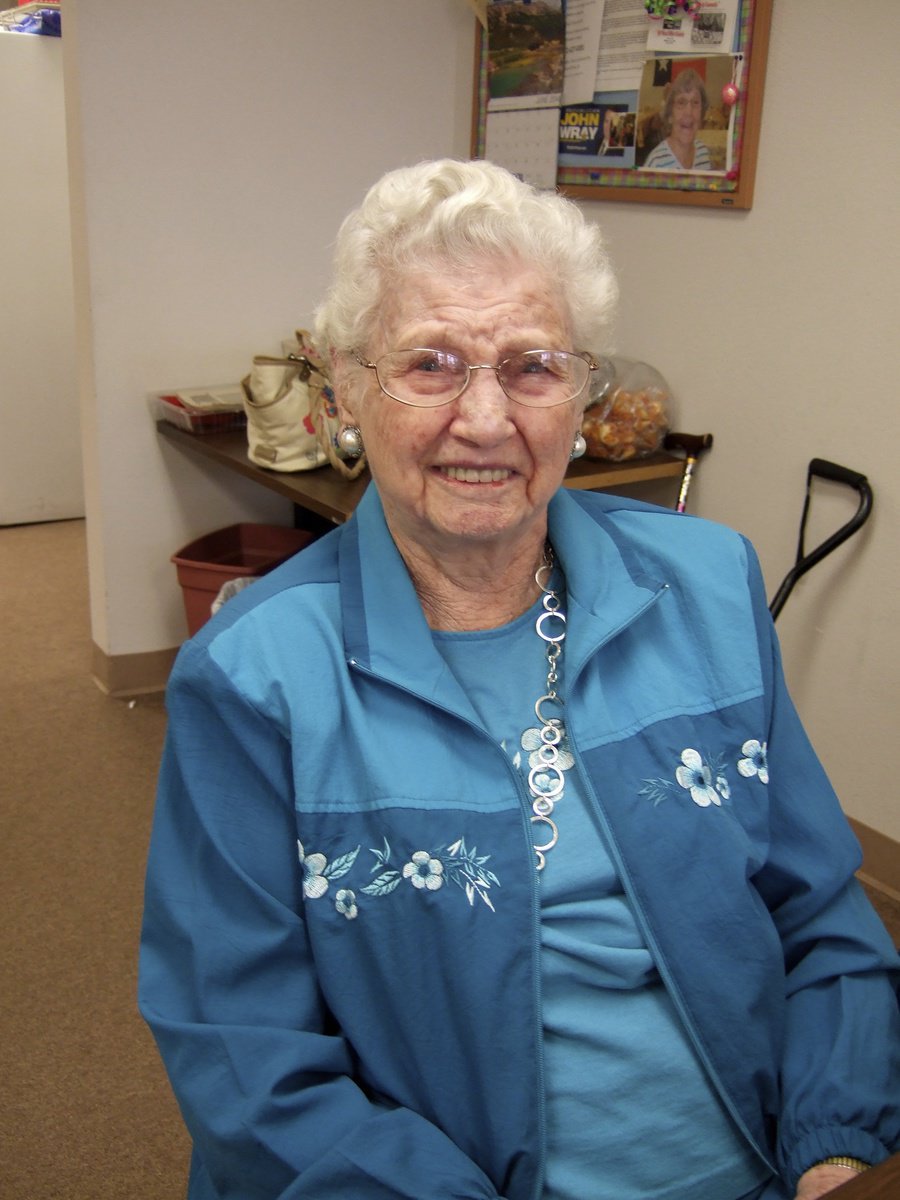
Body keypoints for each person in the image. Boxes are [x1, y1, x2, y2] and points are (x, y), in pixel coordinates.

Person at [139, 158, 900, 1200]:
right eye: (432, 364)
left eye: (534, 366)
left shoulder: (708, 585)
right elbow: (242, 1056)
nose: (488, 418)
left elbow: (823, 923)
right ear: (349, 392)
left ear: (584, 397)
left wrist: (835, 1143)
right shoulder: (253, 675)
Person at [642, 68, 713, 170]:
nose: (689, 112)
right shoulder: (656, 163)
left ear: (702, 113)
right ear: (670, 115)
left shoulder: (703, 153)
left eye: (695, 102)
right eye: (681, 102)